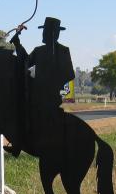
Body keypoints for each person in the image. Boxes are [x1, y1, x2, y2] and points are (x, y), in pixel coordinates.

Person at [10, 16, 75, 152]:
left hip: (50, 98)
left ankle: (19, 144)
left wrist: (52, 85)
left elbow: (70, 75)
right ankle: (20, 143)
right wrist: (18, 44)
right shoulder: (39, 51)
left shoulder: (63, 51)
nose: (43, 35)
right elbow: (26, 62)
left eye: (45, 32)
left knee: (23, 109)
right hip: (41, 95)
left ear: (52, 34)